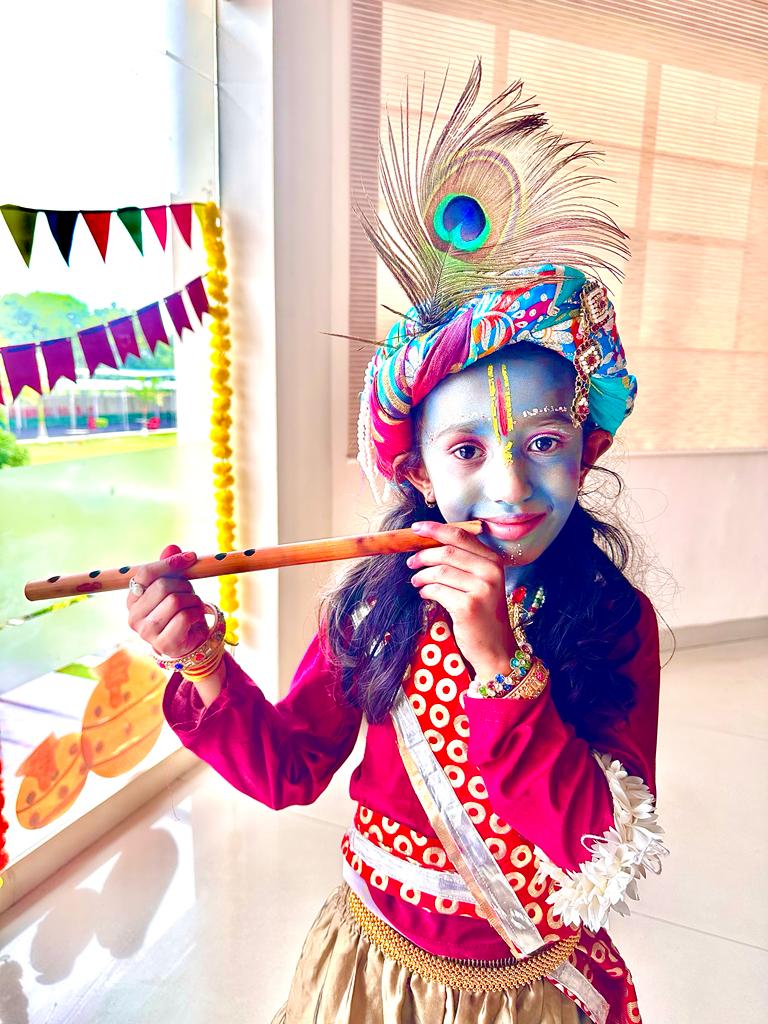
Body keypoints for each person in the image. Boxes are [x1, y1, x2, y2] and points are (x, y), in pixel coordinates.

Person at [126, 62, 669, 1024]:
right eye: (466, 449)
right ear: (416, 471)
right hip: (372, 975)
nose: (510, 486)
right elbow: (290, 770)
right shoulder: (377, 607)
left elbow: (600, 848)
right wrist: (200, 659)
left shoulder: (614, 620)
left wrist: (499, 661)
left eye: (545, 442)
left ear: (586, 453)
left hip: (528, 988)